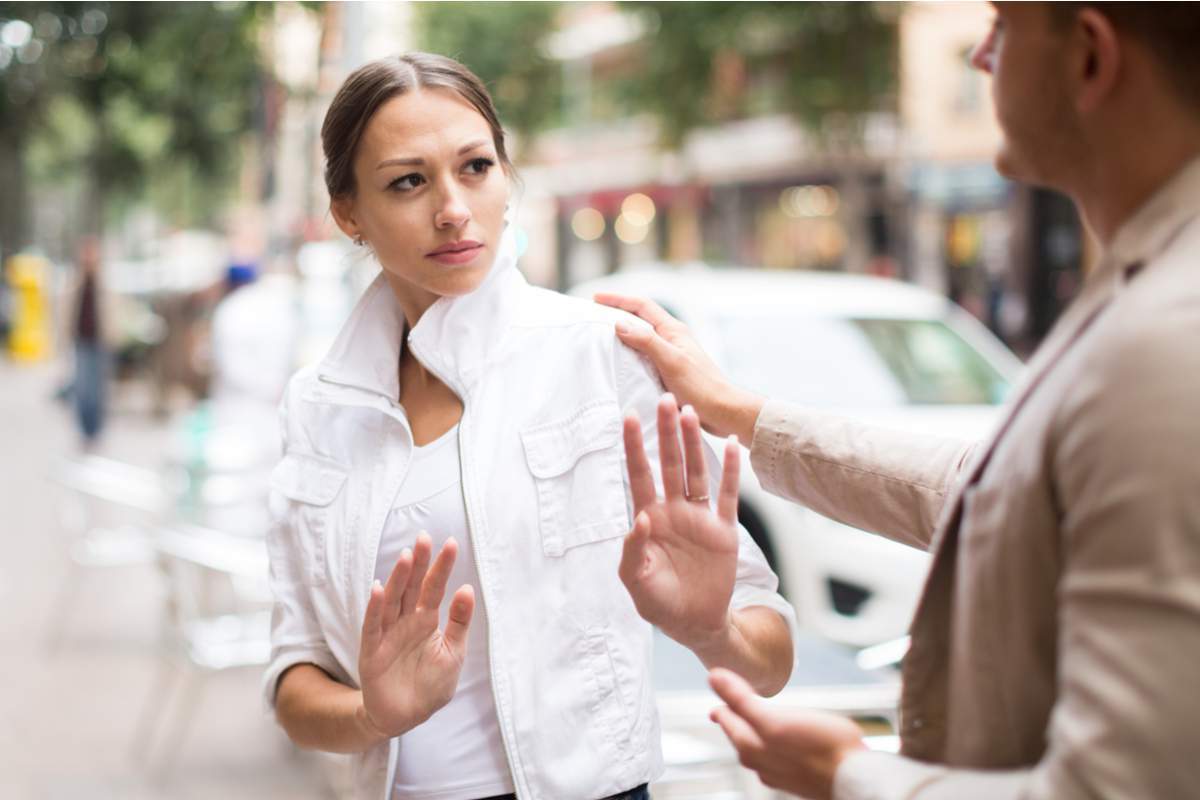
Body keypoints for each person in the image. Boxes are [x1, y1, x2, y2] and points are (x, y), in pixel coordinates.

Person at [598, 3, 1200, 798]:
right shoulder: (1148, 288)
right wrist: (739, 413)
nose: (981, 57)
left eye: (1004, 27)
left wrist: (846, 774)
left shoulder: (1164, 336)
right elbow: (987, 488)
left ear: (1089, 56)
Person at [263, 52, 796, 800]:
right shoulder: (317, 406)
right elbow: (294, 679)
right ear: (349, 213)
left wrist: (709, 628)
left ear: (506, 180)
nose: (452, 208)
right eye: (408, 181)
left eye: (475, 167)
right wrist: (371, 714)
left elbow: (768, 660)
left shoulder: (601, 354)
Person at [69, 236, 110, 447]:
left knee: (97, 389)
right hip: (81, 341)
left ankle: (95, 430)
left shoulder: (103, 282)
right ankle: (85, 429)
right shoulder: (77, 281)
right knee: (82, 387)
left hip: (99, 342)